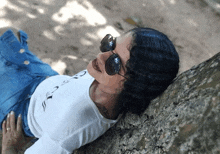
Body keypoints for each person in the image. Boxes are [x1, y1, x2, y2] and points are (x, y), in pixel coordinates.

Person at [0, 27, 179, 154]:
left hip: (20, 106)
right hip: (44, 79)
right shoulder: (107, 80)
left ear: (134, 87)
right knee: (8, 32)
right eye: (110, 44)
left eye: (115, 63)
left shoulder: (72, 124)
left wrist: (11, 147)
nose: (101, 56)